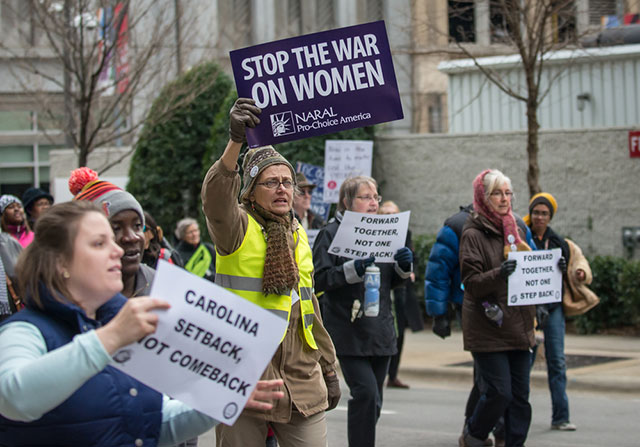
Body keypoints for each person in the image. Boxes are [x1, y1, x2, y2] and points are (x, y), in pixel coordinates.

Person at [0, 201, 284, 446]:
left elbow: (152, 426)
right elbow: (13, 397)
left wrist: (217, 401)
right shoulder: (24, 331)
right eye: (99, 243)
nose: (116, 250)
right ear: (60, 263)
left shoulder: (119, 325)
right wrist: (110, 337)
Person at [201, 97, 340, 447]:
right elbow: (216, 198)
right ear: (250, 192)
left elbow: (308, 308)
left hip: (300, 378)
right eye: (271, 182)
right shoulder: (236, 227)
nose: (282, 188)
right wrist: (236, 141)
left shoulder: (299, 234)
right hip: (243, 377)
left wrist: (327, 365)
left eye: (288, 182)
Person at [313, 176, 413, 447]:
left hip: (380, 328)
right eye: (365, 197)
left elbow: (393, 281)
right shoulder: (331, 233)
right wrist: (351, 270)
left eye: (375, 197)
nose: (373, 203)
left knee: (374, 401)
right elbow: (318, 279)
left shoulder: (385, 231)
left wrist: (404, 266)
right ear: (347, 202)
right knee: (365, 393)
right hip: (347, 329)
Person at [458, 169, 537, 447]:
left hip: (519, 324)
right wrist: (499, 273)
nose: (504, 199)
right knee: (500, 392)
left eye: (507, 193)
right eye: (497, 193)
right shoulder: (473, 233)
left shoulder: (517, 228)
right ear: (483, 197)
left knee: (520, 397)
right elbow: (471, 283)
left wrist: (554, 269)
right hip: (488, 326)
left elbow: (531, 267)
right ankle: (474, 434)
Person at [523, 192, 597, 432]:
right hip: (528, 308)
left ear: (550, 216)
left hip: (553, 307)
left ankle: (561, 417)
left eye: (544, 213)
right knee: (524, 362)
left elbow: (580, 263)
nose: (539, 217)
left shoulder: (560, 243)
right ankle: (516, 417)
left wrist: (575, 272)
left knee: (556, 360)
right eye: (536, 213)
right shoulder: (521, 237)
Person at [68, 167, 155, 298]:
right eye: (115, 229)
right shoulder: (69, 296)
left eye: (137, 226)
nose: (131, 238)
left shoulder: (163, 286)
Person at [378, 200, 424, 390]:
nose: (390, 218)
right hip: (379, 289)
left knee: (399, 333)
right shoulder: (373, 233)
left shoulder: (405, 233)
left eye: (393, 214)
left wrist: (408, 268)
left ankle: (393, 374)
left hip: (399, 289)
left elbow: (411, 257)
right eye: (386, 214)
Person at [174, 218, 216, 283]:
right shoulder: (177, 255)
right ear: (182, 235)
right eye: (190, 232)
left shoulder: (208, 248)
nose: (194, 234)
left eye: (196, 230)